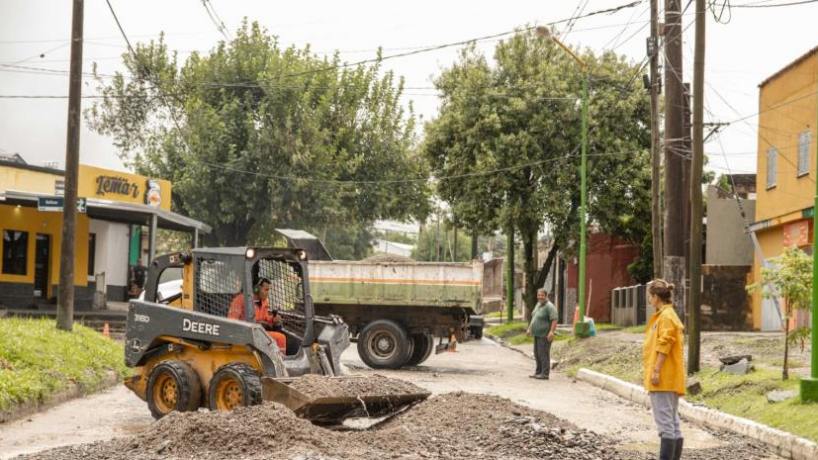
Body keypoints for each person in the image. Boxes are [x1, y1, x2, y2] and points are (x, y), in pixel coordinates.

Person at [643, 279, 685, 460]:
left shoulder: (666, 317)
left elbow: (665, 344)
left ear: (656, 297)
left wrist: (656, 371)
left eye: (650, 296)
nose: (649, 300)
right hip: (669, 377)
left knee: (666, 425)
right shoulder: (667, 315)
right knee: (673, 424)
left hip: (663, 379)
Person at [228, 277, 287, 352]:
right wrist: (252, 324)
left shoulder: (264, 301)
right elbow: (232, 322)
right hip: (246, 334)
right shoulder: (240, 299)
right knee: (281, 338)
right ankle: (281, 361)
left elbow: (265, 318)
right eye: (266, 290)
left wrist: (273, 319)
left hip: (259, 333)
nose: (268, 293)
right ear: (256, 289)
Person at [526, 288, 558, 380]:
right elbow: (534, 317)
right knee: (537, 353)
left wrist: (551, 332)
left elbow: (554, 319)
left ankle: (545, 374)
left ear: (546, 296)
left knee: (543, 354)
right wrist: (529, 329)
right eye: (538, 295)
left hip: (545, 334)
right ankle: (538, 372)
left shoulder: (550, 306)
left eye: (542, 295)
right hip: (537, 334)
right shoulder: (538, 304)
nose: (540, 297)